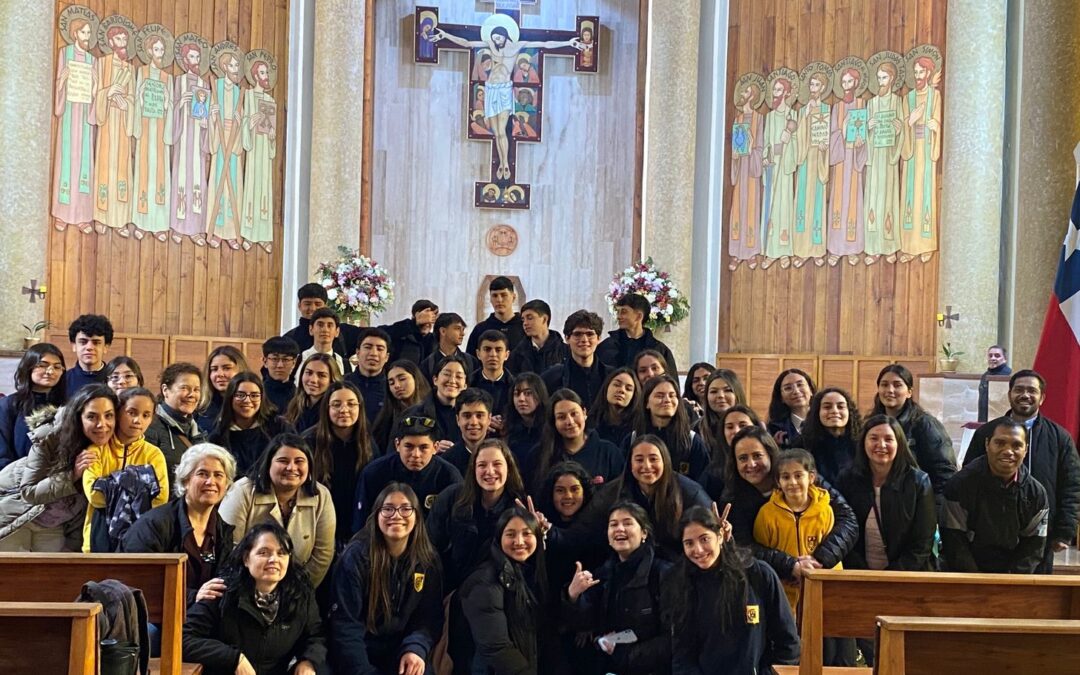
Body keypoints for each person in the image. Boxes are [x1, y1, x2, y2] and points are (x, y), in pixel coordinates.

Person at [963, 369, 1080, 572]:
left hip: (1040, 538)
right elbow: (968, 478)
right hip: (987, 538)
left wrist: (1064, 530)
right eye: (1018, 390)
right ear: (1009, 395)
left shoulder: (1060, 438)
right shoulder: (986, 433)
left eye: (1031, 390)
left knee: (1033, 600)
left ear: (1041, 397)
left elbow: (1072, 485)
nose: (1025, 395)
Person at [668, 505, 800, 675]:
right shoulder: (683, 584)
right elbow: (682, 654)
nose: (698, 550)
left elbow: (788, 642)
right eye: (689, 543)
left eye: (704, 539)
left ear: (720, 536)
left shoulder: (758, 574)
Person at [722, 427, 858, 590]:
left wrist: (819, 561)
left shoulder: (804, 477)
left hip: (824, 576)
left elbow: (848, 521)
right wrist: (790, 565)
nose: (751, 464)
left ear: (771, 454)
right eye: (743, 458)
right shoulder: (733, 499)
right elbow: (744, 547)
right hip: (777, 584)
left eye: (757, 456)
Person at [183, 522, 326, 675]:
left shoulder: (300, 595)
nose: (274, 559)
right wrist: (233, 658)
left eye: (282, 553)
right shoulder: (222, 591)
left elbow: (316, 636)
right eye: (263, 553)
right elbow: (183, 639)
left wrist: (308, 661)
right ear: (246, 558)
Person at [330, 483, 444, 675]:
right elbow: (345, 626)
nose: (396, 515)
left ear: (417, 517)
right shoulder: (356, 557)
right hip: (357, 653)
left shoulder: (427, 559)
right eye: (388, 509)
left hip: (401, 651)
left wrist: (415, 649)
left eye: (406, 509)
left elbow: (428, 618)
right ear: (376, 515)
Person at [121, 443, 237, 607]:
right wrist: (193, 596)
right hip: (153, 614)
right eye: (202, 474)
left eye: (218, 475)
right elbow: (140, 581)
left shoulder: (223, 530)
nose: (211, 481)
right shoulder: (155, 524)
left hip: (200, 615)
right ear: (186, 481)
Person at [563, 502, 672, 675]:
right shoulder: (604, 573)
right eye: (613, 524)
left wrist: (623, 654)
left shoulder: (663, 573)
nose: (619, 529)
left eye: (627, 523)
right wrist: (573, 596)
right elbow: (584, 623)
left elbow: (673, 638)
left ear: (644, 533)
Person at [564, 435, 711, 562]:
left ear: (665, 461)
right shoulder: (613, 492)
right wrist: (551, 533)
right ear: (630, 464)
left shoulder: (690, 493)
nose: (647, 466)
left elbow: (711, 532)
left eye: (653, 459)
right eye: (639, 460)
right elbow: (581, 532)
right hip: (628, 568)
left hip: (676, 567)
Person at [0, 385, 111, 551]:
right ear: (78, 418)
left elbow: (84, 509)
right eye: (92, 417)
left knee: (50, 573)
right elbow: (29, 493)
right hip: (18, 511)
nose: (101, 424)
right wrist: (72, 475)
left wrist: (72, 549)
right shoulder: (51, 437)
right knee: (16, 572)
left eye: (109, 416)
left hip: (53, 524)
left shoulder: (112, 449)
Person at [220, 433, 337, 587]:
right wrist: (260, 589)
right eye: (283, 461)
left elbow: (323, 554)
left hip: (299, 589)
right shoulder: (242, 491)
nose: (291, 468)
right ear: (268, 463)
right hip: (245, 587)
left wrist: (296, 591)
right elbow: (229, 549)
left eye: (299, 461)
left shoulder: (321, 495)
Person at [458, 507, 558, 674]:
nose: (519, 541)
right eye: (511, 534)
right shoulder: (484, 581)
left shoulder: (532, 572)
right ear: (499, 538)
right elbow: (496, 648)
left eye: (527, 534)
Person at [942, 417, 1049, 574]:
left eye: (1016, 445)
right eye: (999, 443)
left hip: (1013, 580)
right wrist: (976, 582)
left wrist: (1009, 582)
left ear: (1025, 449)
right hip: (965, 576)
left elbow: (1033, 547)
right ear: (987, 445)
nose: (1007, 451)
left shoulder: (1036, 494)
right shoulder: (959, 485)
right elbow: (954, 540)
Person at [836, 415, 937, 572]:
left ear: (899, 444)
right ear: (863, 442)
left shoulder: (918, 482)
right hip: (857, 575)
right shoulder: (847, 479)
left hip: (907, 576)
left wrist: (891, 575)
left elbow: (922, 543)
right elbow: (840, 528)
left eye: (889, 439)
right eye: (873, 438)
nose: (881, 445)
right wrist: (861, 573)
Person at [428, 438, 527, 592]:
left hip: (495, 591)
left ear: (509, 468)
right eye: (482, 465)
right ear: (473, 469)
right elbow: (430, 548)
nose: (490, 471)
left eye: (497, 464)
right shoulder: (452, 498)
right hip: (449, 587)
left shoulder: (518, 508)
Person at [753, 449, 843, 610]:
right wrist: (788, 570)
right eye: (786, 477)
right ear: (778, 482)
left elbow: (833, 557)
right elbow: (762, 555)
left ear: (811, 478)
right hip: (784, 595)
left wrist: (816, 569)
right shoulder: (767, 514)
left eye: (798, 475)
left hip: (822, 592)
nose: (792, 482)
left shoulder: (825, 510)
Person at [81, 387, 168, 552]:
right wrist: (138, 483)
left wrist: (111, 482)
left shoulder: (154, 454)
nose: (138, 421)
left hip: (139, 537)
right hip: (97, 537)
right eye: (132, 412)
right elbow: (95, 496)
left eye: (145, 415)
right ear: (118, 412)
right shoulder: (97, 449)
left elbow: (159, 499)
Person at [353, 416, 462, 532]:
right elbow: (361, 525)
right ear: (397, 445)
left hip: (432, 546)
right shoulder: (374, 473)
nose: (415, 454)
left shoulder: (449, 476)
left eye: (423, 447)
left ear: (435, 448)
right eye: (409, 447)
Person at [304, 380, 378, 547]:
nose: (344, 410)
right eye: (336, 404)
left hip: (357, 528)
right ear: (327, 408)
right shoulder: (309, 441)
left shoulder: (368, 442)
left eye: (351, 404)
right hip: (318, 527)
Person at [872, 364, 956, 496]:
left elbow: (944, 473)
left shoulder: (925, 424)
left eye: (897, 385)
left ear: (909, 392)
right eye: (884, 385)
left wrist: (933, 512)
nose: (890, 390)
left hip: (918, 502)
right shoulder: (872, 424)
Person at [526, 389, 625, 493]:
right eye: (561, 417)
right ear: (553, 421)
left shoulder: (609, 452)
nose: (570, 421)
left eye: (574, 414)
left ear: (584, 413)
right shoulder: (539, 455)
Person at [209, 372, 295, 475]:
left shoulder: (280, 427)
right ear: (230, 397)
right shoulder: (218, 437)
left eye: (254, 395)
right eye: (240, 395)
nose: (247, 400)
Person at [0, 344, 67, 469]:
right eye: (42, 365)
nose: (50, 371)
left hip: (56, 479)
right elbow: (2, 451)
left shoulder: (66, 406)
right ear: (28, 367)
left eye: (57, 367)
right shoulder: (9, 404)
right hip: (13, 478)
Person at [630, 375, 709, 479]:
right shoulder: (633, 439)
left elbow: (701, 484)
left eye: (672, 395)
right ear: (647, 403)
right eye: (660, 396)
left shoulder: (692, 441)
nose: (667, 400)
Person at [145, 362, 208, 476]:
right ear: (165, 390)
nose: (191, 395)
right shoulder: (150, 427)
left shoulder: (197, 430)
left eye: (196, 390)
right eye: (184, 388)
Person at [542, 310, 613, 407]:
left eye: (590, 334)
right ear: (567, 338)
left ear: (599, 338)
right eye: (577, 334)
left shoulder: (612, 377)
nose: (584, 340)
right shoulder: (552, 377)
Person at [597, 294, 678, 378]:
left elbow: (670, 384)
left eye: (624, 312)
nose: (618, 317)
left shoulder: (659, 349)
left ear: (639, 316)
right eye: (618, 312)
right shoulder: (606, 346)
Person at [792, 387, 862, 485]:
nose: (834, 411)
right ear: (817, 412)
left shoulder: (862, 444)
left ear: (849, 412)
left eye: (840, 407)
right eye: (827, 407)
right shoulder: (803, 445)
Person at [699, 405, 763, 503]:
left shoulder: (770, 464)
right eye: (730, 427)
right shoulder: (712, 474)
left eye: (743, 425)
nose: (736, 431)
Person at [404, 354, 469, 447]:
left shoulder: (470, 417)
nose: (452, 380)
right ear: (435, 380)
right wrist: (431, 449)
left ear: (465, 385)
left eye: (459, 377)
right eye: (447, 374)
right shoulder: (414, 414)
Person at [282, 282, 360, 358]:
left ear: (325, 306)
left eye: (318, 304)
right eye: (307, 304)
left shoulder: (345, 332)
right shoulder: (289, 339)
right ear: (299, 306)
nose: (313, 308)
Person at [371, 360, 430, 454]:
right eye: (391, 383)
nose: (397, 386)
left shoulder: (432, 410)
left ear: (415, 378)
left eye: (402, 379)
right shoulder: (386, 418)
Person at [196, 346, 251, 434]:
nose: (220, 374)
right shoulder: (200, 408)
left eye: (227, 368)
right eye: (214, 369)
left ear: (241, 370)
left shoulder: (254, 405)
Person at [466, 276, 526, 355]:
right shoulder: (480, 329)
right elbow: (470, 362)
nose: (499, 300)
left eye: (504, 295)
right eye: (495, 296)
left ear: (513, 297)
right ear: (490, 299)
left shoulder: (525, 327)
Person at [697, 370, 749, 461]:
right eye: (714, 391)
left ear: (737, 393)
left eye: (727, 390)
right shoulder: (697, 430)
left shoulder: (753, 425)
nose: (720, 396)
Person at [284, 353, 342, 433]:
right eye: (309, 373)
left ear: (332, 380)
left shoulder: (336, 411)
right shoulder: (293, 405)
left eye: (321, 375)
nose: (313, 380)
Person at [344, 327, 392, 425]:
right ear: (358, 352)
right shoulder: (342, 384)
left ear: (387, 357)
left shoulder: (393, 387)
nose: (373, 353)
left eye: (380, 349)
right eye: (368, 347)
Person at [507, 299, 567, 376]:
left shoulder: (565, 352)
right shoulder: (517, 355)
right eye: (523, 320)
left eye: (530, 318)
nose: (525, 323)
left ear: (544, 319)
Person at [442, 388, 494, 475]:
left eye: (479, 415)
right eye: (467, 416)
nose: (473, 422)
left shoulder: (502, 456)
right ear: (458, 419)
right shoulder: (446, 462)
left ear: (489, 419)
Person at [587, 367, 641, 447]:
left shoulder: (638, 429)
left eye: (628, 389)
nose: (621, 390)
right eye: (616, 385)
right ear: (606, 387)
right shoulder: (588, 424)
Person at [419, 312, 479, 383]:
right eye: (457, 328)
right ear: (443, 331)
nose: (462, 334)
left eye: (463, 329)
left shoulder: (471, 361)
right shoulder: (427, 364)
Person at [473, 330, 514, 431]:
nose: (493, 354)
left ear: (506, 355)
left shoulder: (516, 386)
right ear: (478, 354)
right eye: (487, 349)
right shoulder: (468, 383)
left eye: (498, 350)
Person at [504, 373, 549, 463]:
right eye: (516, 394)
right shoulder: (507, 428)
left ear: (539, 395)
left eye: (528, 393)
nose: (521, 399)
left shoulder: (550, 427)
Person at [65, 314, 114, 396]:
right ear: (74, 345)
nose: (89, 347)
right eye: (83, 342)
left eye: (96, 343)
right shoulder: (63, 381)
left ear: (106, 347)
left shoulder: (115, 381)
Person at [766, 368, 816, 448]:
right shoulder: (774, 429)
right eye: (788, 388)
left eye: (800, 385)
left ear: (811, 390)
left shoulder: (824, 422)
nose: (796, 391)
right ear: (781, 397)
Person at [379, 299, 439, 365]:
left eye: (431, 320)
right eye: (425, 317)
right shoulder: (401, 331)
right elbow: (378, 333)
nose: (427, 323)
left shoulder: (433, 339)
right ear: (414, 315)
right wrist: (415, 323)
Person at [296, 307, 348, 382]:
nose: (325, 329)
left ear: (337, 332)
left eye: (330, 325)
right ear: (311, 329)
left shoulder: (345, 365)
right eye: (320, 325)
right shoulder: (298, 361)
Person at [260, 336, 300, 414]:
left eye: (285, 359)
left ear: (294, 362)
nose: (280, 365)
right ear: (265, 361)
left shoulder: (300, 396)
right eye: (275, 359)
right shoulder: (258, 394)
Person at [978, 344, 1012, 422]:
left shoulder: (1009, 376)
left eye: (997, 356)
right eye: (990, 356)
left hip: (1001, 420)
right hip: (983, 418)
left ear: (1005, 359)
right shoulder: (985, 376)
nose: (993, 358)